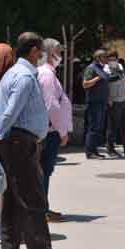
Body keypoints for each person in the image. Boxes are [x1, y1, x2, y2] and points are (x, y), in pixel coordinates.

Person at [0, 32, 71, 249]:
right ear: (34, 51)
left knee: (13, 201)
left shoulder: (13, 74)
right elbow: (10, 111)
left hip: (14, 143)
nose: (44, 56)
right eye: (42, 50)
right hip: (20, 143)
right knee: (34, 201)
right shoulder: (23, 76)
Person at [37, 38, 73, 223]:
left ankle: (44, 208)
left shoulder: (48, 73)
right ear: (51, 53)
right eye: (59, 51)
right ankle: (42, 210)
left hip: (49, 130)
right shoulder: (47, 74)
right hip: (50, 131)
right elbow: (51, 105)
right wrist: (62, 130)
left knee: (45, 171)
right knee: (44, 170)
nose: (61, 55)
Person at [105, 52, 125, 156]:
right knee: (112, 126)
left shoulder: (120, 66)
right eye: (110, 59)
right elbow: (108, 82)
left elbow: (122, 79)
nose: (113, 61)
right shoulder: (106, 69)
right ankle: (110, 148)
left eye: (114, 59)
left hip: (124, 98)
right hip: (113, 100)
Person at [82, 49, 110, 159]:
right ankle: (90, 152)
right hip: (94, 102)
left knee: (98, 128)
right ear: (98, 58)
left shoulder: (101, 68)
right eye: (105, 57)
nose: (106, 59)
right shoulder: (91, 68)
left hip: (102, 102)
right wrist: (98, 78)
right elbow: (85, 84)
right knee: (93, 127)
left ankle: (94, 150)